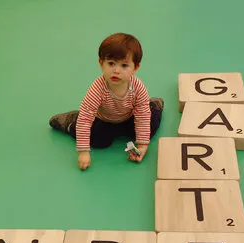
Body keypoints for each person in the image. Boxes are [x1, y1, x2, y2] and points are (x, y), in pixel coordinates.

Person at [49, 33, 164, 170]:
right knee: (99, 140)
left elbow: (143, 117)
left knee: (148, 124)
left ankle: (154, 106)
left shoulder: (138, 88)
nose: (116, 71)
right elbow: (86, 119)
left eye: (124, 65)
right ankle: (71, 121)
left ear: (135, 68)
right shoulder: (97, 88)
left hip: (129, 117)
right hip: (104, 119)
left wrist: (142, 146)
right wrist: (83, 152)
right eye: (111, 63)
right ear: (101, 63)